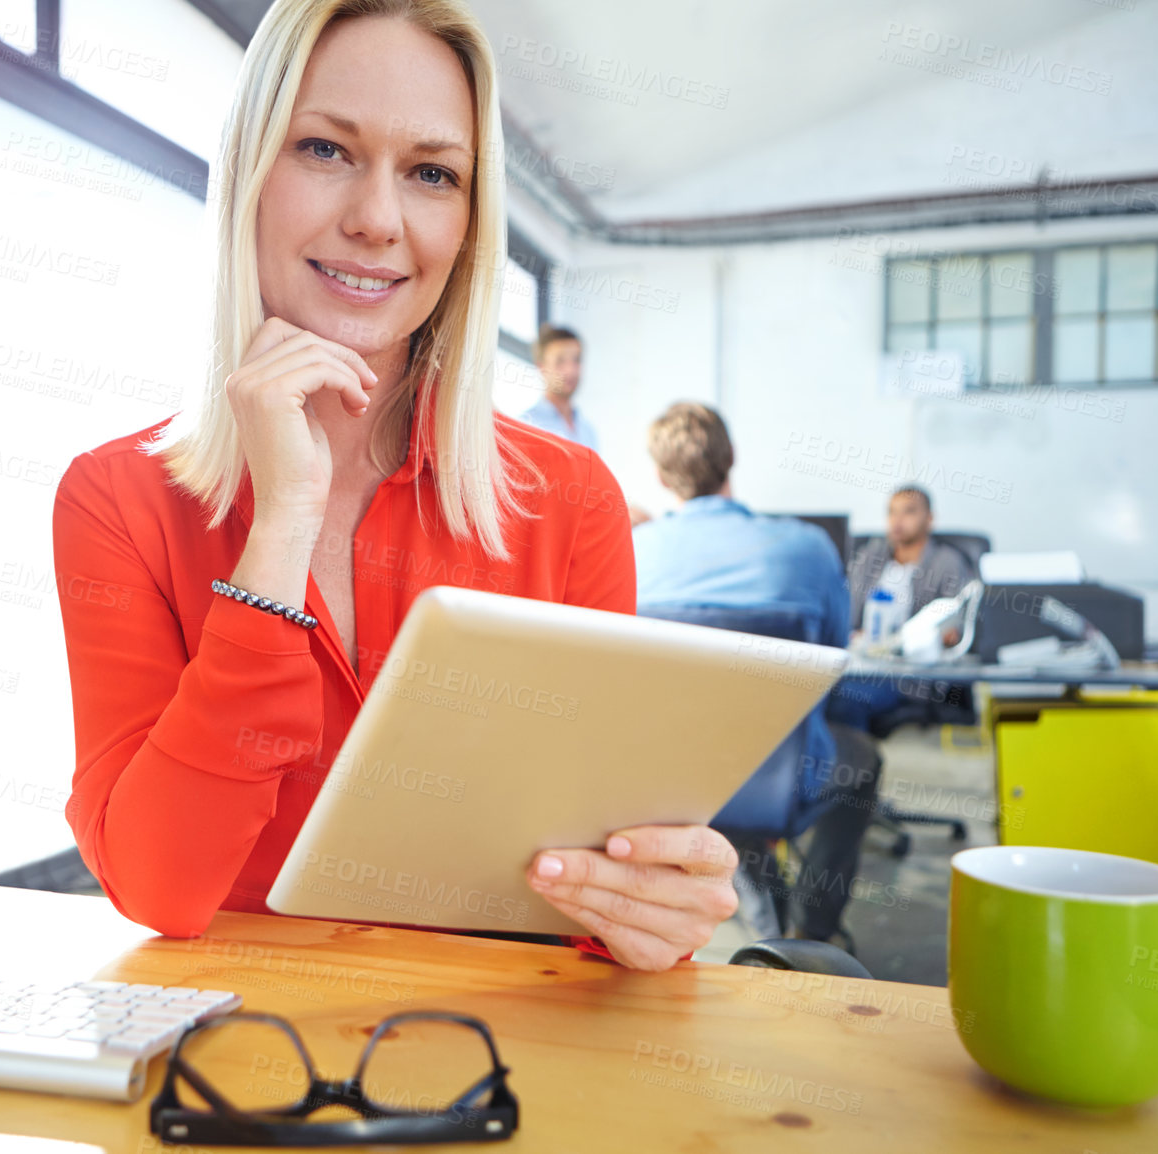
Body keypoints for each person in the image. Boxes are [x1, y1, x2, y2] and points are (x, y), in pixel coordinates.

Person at [51, 0, 738, 974]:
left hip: (492, 1063)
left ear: (468, 219)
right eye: (325, 149)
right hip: (237, 1058)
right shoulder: (116, 499)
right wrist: (281, 523)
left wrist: (634, 906)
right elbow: (159, 883)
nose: (377, 219)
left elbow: (581, 879)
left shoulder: (568, 497)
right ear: (250, 171)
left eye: (431, 172)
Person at [633, 402, 881, 948]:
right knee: (860, 761)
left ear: (658, 476)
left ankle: (769, 919)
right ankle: (814, 931)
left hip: (666, 784)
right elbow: (833, 660)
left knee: (726, 779)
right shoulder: (808, 548)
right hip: (780, 778)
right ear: (732, 459)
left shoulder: (631, 552)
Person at [847, 485, 977, 631]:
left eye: (909, 511)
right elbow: (847, 608)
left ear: (929, 518)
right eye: (892, 512)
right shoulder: (870, 555)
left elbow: (957, 620)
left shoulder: (947, 562)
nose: (897, 520)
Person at [517, 324, 599, 452]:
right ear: (541, 367)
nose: (570, 370)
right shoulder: (525, 426)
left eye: (576, 360)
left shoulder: (588, 431)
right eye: (560, 361)